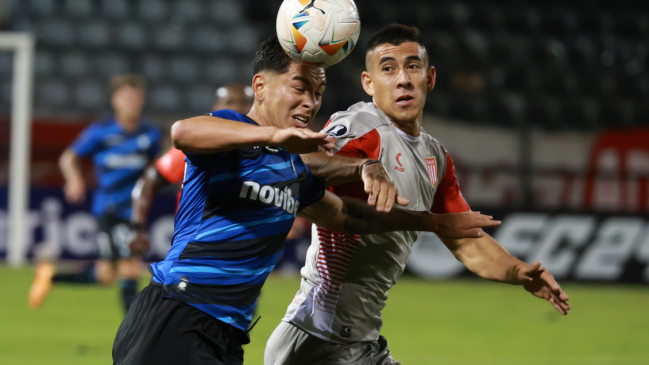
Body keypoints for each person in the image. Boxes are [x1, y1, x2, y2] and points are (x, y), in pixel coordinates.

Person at [112, 36, 500, 365]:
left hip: (226, 332)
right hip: (177, 312)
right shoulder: (233, 136)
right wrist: (274, 135)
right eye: (300, 87)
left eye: (318, 93)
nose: (311, 103)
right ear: (260, 87)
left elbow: (348, 217)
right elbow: (184, 132)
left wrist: (431, 222)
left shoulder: (292, 171)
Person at [264, 24, 571, 365]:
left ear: (431, 77)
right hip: (317, 340)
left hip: (356, 341)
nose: (403, 79)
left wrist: (518, 272)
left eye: (412, 66)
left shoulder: (435, 157)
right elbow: (301, 163)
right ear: (368, 83)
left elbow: (465, 239)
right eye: (388, 69)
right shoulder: (361, 127)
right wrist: (362, 166)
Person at [28, 74, 161, 313]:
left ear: (142, 100)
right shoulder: (101, 131)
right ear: (115, 101)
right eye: (126, 97)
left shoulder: (150, 134)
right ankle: (133, 336)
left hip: (134, 211)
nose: (131, 101)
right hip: (110, 209)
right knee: (129, 267)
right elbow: (68, 157)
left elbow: (156, 169)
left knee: (105, 275)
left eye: (135, 96)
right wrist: (73, 178)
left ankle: (51, 278)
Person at [129, 83, 254, 256]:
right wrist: (136, 227)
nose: (237, 108)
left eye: (244, 102)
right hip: (196, 242)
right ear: (216, 108)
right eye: (230, 102)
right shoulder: (198, 143)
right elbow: (149, 180)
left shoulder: (267, 149)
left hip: (243, 246)